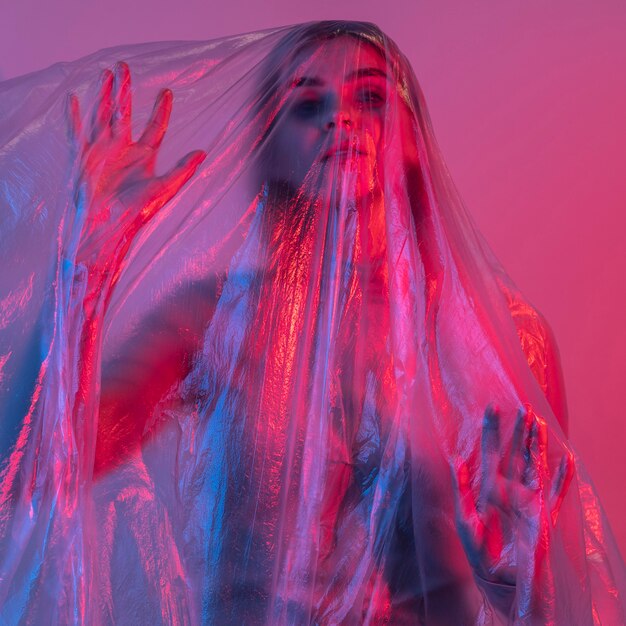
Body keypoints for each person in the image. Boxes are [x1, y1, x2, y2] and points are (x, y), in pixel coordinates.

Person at [0, 20, 623, 625]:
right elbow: (37, 470)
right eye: (306, 104)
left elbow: (559, 593)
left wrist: (523, 577)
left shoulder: (504, 343)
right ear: (269, 146)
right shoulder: (213, 320)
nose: (340, 117)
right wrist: (83, 273)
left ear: (415, 137)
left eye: (371, 97)